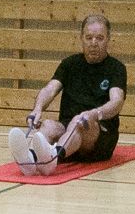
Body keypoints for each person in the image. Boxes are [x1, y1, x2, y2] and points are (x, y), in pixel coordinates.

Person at [8, 15, 125, 176]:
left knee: (78, 122)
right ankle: (29, 160)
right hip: (69, 134)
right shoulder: (70, 64)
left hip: (99, 136)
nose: (93, 43)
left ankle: (52, 158)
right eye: (89, 37)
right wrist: (37, 109)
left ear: (108, 39)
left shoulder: (116, 68)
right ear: (81, 38)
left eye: (99, 38)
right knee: (48, 125)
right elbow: (50, 89)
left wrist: (95, 114)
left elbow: (117, 101)